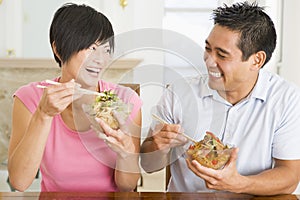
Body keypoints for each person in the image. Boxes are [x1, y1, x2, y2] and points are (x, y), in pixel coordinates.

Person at [141, 1, 300, 195]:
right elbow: (148, 165)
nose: (208, 61)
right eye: (208, 49)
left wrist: (239, 183)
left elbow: (290, 175)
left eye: (222, 55)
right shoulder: (179, 93)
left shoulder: (286, 99)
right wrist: (159, 148)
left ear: (257, 60)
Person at [8, 3, 142, 192]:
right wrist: (43, 115)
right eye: (91, 48)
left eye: (106, 49)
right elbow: (19, 182)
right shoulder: (29, 97)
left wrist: (125, 153)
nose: (100, 59)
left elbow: (127, 186)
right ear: (58, 49)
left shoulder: (126, 101)